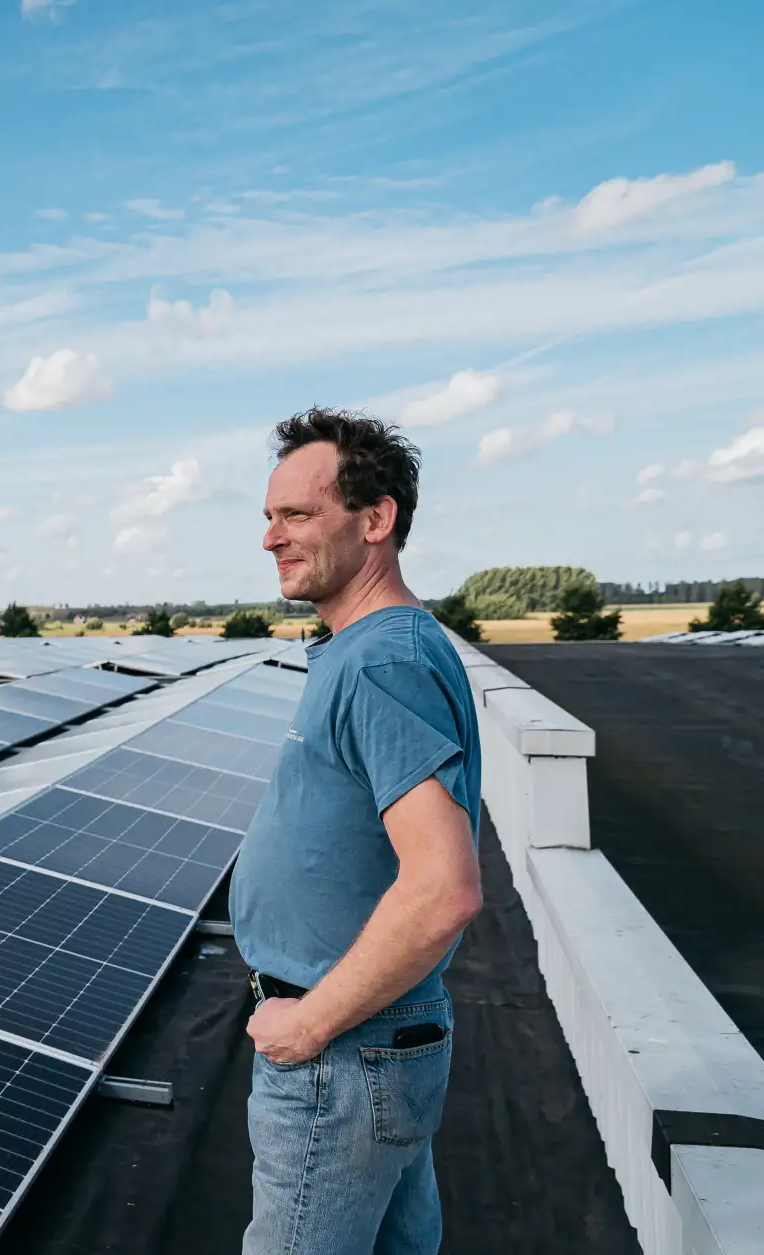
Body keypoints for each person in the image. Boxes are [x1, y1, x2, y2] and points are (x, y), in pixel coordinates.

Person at [231, 408, 484, 1255]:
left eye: (297, 515)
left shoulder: (383, 660)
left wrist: (309, 1024)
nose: (271, 537)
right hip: (374, 1043)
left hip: (342, 1055)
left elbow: (443, 886)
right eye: (269, 516)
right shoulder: (372, 649)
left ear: (376, 519)